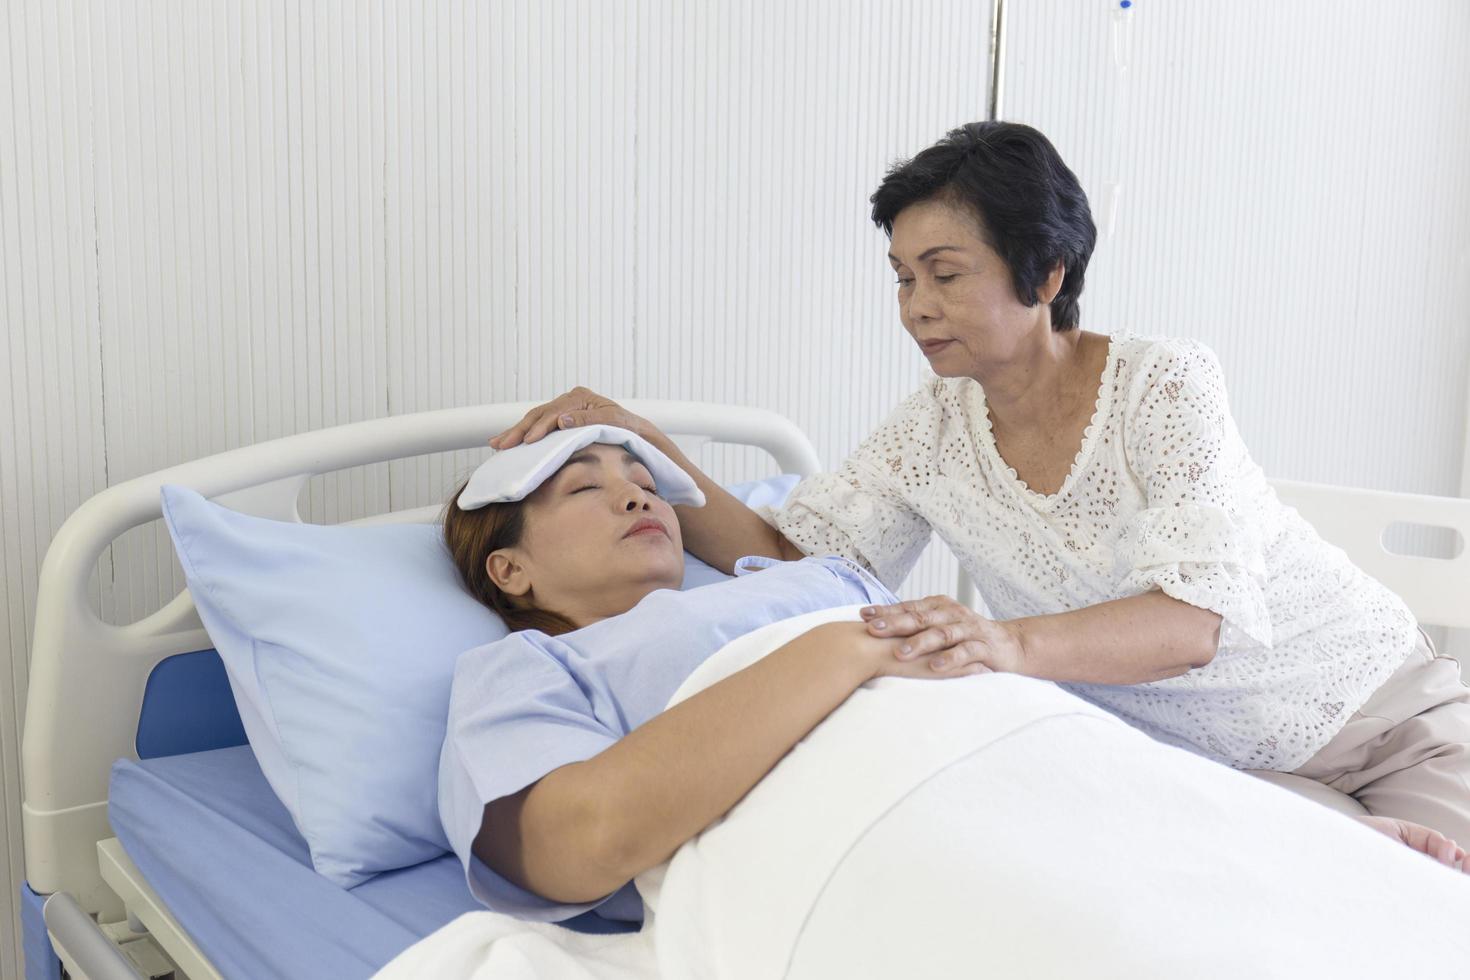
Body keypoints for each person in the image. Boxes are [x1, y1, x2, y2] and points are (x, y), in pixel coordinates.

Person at [490, 120, 1470, 863]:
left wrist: (1007, 645)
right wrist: (644, 443)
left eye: (946, 273)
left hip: (1388, 727)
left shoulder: (1162, 383)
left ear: (1045, 271)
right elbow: (801, 556)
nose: (917, 305)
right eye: (903, 275)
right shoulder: (936, 426)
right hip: (1219, 775)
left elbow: (1195, 622)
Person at [437, 436, 986, 925]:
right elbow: (577, 841)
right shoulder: (523, 668)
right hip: (886, 855)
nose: (638, 497)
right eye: (582, 487)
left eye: (645, 482)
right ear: (510, 570)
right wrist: (839, 650)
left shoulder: (781, 579)